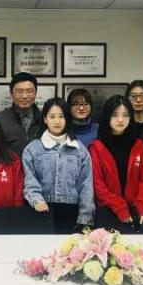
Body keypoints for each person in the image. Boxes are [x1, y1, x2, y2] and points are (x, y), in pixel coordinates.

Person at [23, 97, 94, 234]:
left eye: (61, 116)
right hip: (41, 211)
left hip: (72, 214)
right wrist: (37, 200)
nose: (57, 121)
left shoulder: (80, 150)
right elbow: (30, 180)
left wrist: (85, 218)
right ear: (45, 119)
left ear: (67, 118)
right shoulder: (32, 149)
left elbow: (86, 185)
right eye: (52, 117)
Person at [89, 95, 143, 233]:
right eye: (115, 115)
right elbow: (97, 185)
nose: (120, 120)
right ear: (107, 117)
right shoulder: (97, 147)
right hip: (107, 212)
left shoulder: (139, 146)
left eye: (125, 115)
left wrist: (140, 208)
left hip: (135, 214)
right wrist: (119, 207)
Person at [0, 72, 43, 156]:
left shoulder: (45, 118)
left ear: (35, 93)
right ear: (11, 93)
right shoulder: (0, 119)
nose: (24, 96)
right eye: (19, 91)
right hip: (11, 164)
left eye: (29, 91)